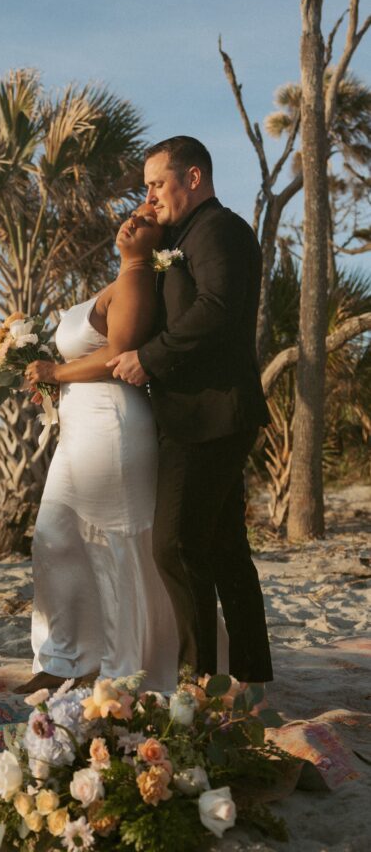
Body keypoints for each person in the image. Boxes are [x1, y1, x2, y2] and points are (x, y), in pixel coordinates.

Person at [108, 135, 273, 683]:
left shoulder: (220, 229)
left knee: (175, 546)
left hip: (213, 416)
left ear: (193, 177)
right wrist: (141, 234)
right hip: (198, 415)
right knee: (225, 551)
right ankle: (249, 679)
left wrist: (150, 358)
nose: (150, 195)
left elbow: (218, 309)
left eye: (158, 183)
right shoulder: (180, 235)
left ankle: (198, 683)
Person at [14, 205, 182, 695]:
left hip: (112, 426)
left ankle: (124, 661)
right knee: (54, 537)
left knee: (114, 545)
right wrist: (47, 382)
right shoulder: (113, 284)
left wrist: (53, 372)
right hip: (79, 430)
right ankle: (64, 657)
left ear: (159, 238)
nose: (132, 221)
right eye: (132, 214)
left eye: (147, 220)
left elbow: (118, 355)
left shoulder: (136, 280)